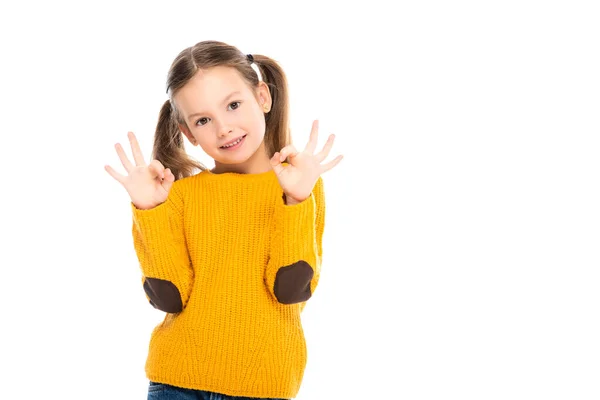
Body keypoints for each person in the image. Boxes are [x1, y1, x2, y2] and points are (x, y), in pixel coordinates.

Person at [104, 40, 343, 400]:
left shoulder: (300, 187)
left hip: (262, 385)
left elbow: (290, 290)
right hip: (176, 382)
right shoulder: (181, 196)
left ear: (263, 97)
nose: (224, 129)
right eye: (203, 120)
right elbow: (168, 296)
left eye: (233, 105)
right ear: (188, 133)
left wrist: (296, 200)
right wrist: (149, 211)